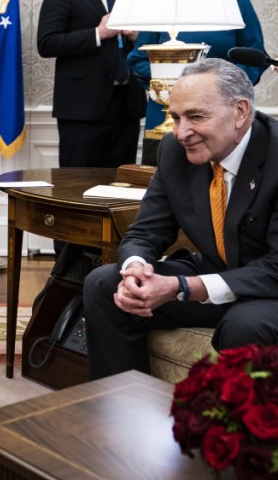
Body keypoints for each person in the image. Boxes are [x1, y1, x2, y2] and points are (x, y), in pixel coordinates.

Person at [83, 58, 278, 380]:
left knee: (245, 324)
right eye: (175, 117)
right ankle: (123, 412)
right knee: (106, 284)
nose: (181, 132)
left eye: (196, 117)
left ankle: (230, 430)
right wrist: (135, 268)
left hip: (270, 289)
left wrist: (184, 287)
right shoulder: (175, 150)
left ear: (241, 112)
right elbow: (146, 231)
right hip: (219, 270)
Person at [36, 0, 146, 169]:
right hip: (81, 109)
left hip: (127, 106)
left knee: (120, 186)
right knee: (77, 186)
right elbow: (47, 43)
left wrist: (137, 36)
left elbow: (150, 43)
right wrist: (98, 33)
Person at [128, 0, 266, 131]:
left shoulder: (237, 4)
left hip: (220, 107)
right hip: (166, 110)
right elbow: (138, 60)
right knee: (165, 151)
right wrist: (173, 77)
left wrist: (218, 84)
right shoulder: (162, 5)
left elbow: (254, 59)